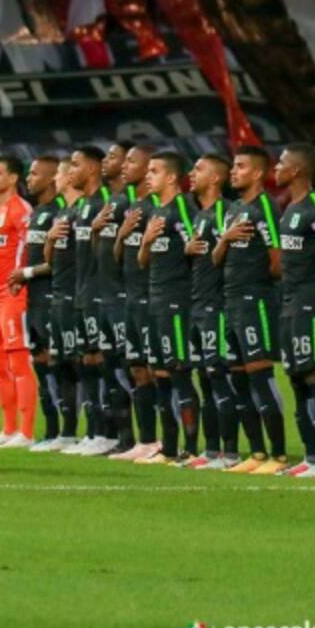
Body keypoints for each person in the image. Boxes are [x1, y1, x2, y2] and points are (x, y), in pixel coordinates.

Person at [214, 146, 288, 475]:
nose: (234, 171)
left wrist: (254, 281)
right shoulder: (231, 211)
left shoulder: (264, 208)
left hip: (254, 300)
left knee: (260, 376)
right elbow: (216, 260)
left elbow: (277, 262)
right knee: (239, 381)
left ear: (257, 173)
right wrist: (226, 239)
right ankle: (256, 452)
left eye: (240, 166)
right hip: (230, 302)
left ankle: (279, 454)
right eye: (233, 165)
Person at [274, 143, 315, 477]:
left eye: (282, 163)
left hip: (311, 304)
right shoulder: (289, 209)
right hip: (289, 302)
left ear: (297, 170)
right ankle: (311, 456)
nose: (277, 167)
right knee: (297, 377)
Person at [136, 151, 201, 465]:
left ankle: (191, 447)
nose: (149, 176)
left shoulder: (183, 209)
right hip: (156, 299)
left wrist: (189, 248)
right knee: (159, 374)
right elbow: (142, 262)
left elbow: (195, 247)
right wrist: (146, 242)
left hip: (177, 301)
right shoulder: (155, 212)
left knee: (179, 372)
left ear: (172, 177)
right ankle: (170, 446)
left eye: (155, 171)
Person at [183, 153, 244, 470]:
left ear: (216, 178)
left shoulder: (225, 212)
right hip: (197, 306)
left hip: (217, 308)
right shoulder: (199, 215)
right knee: (204, 380)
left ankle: (230, 452)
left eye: (199, 168)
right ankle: (210, 451)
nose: (192, 173)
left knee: (218, 377)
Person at [0, 155, 37, 449]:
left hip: (14, 295)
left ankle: (26, 432)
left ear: (13, 178)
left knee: (18, 362)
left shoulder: (21, 210)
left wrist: (21, 281)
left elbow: (30, 249)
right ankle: (8, 428)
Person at [6, 155, 65, 451]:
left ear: (52, 178)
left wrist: (25, 273)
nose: (28, 179)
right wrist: (22, 278)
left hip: (55, 298)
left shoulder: (59, 212)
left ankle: (65, 432)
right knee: (40, 363)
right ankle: (51, 430)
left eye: (34, 174)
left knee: (58, 364)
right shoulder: (38, 213)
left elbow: (60, 263)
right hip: (36, 299)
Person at [109, 145, 163, 461]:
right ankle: (147, 440)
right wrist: (122, 235)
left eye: (133, 161)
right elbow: (120, 258)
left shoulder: (158, 207)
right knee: (137, 371)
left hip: (151, 299)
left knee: (159, 371)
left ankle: (168, 442)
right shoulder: (133, 208)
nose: (126, 166)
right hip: (131, 299)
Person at [68, 146, 114, 456]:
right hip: (83, 293)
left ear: (93, 169)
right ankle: (93, 431)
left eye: (75, 164)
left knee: (102, 363)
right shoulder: (82, 206)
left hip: (101, 293)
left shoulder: (104, 204)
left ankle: (108, 433)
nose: (70, 170)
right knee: (86, 362)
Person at [89, 142, 134, 455]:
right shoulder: (112, 203)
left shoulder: (133, 203)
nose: (107, 161)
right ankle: (118, 436)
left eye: (115, 157)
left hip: (124, 297)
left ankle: (139, 438)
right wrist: (95, 231)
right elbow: (100, 255)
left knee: (131, 368)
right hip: (105, 297)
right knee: (109, 368)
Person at [43, 160, 81, 450]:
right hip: (58, 295)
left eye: (58, 173)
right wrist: (50, 239)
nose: (55, 178)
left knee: (78, 363)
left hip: (76, 297)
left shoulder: (82, 211)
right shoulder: (63, 213)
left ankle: (94, 431)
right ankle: (67, 433)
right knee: (59, 363)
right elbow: (51, 259)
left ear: (69, 176)